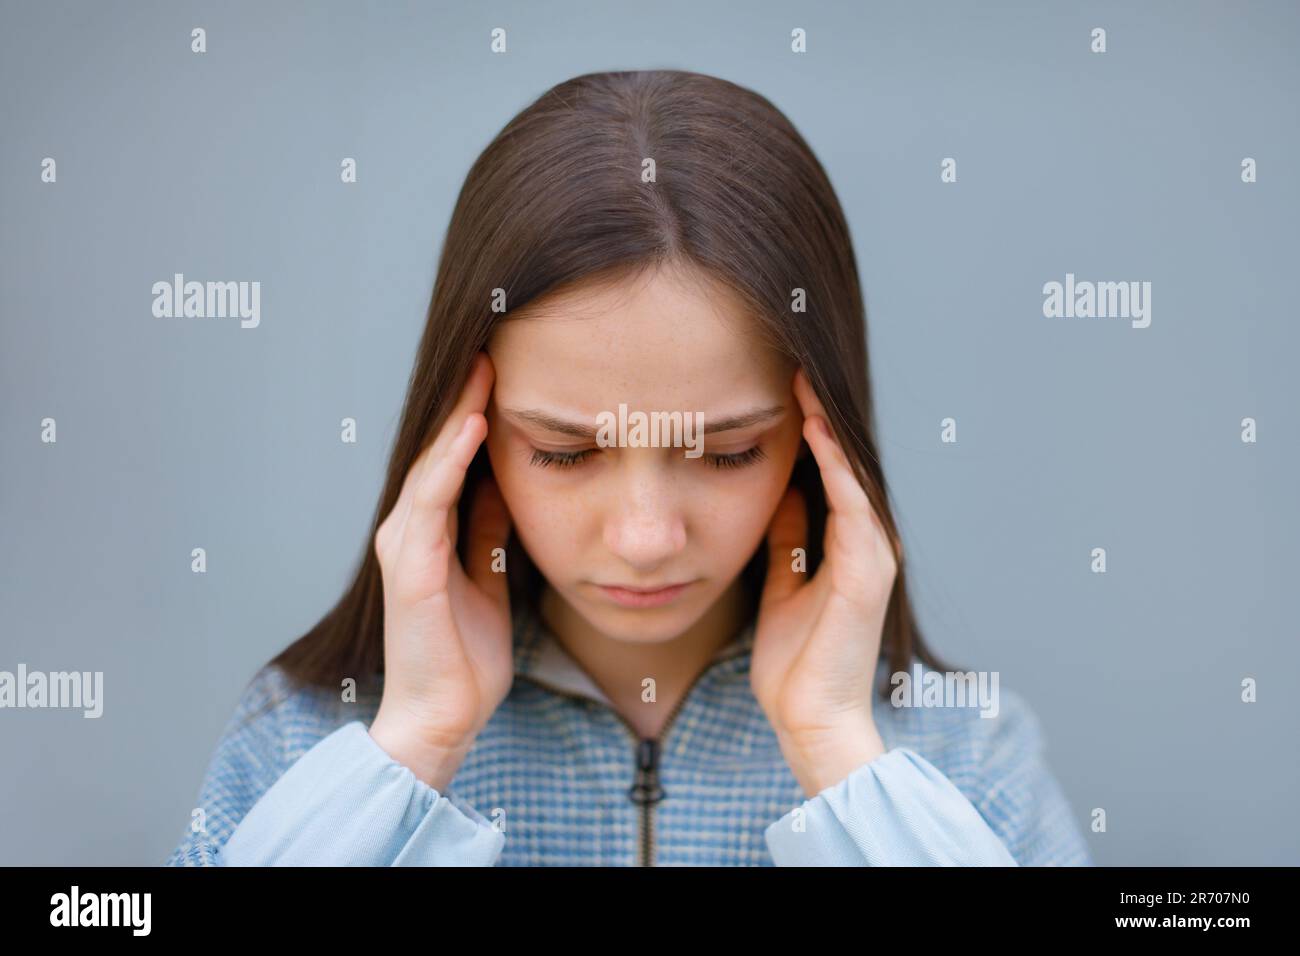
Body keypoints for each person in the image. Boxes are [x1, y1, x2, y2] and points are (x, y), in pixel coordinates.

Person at [165, 69, 1091, 867]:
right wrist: (412, 750)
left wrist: (843, 762)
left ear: (823, 433)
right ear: (466, 428)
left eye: (727, 452)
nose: (646, 538)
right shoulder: (304, 738)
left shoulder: (967, 756)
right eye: (565, 452)